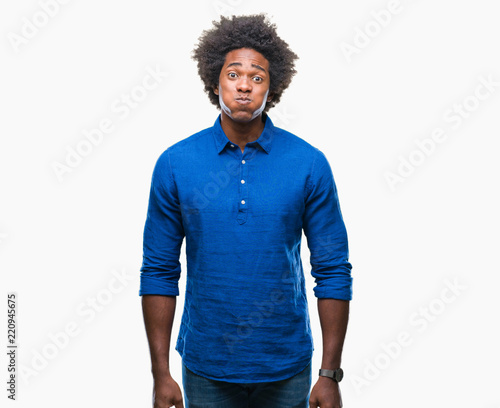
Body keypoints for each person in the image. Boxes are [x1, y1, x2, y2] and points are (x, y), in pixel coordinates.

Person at [139, 14, 353, 408]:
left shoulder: (308, 163)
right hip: (205, 366)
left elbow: (333, 268)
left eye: (257, 78)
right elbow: (158, 270)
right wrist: (160, 374)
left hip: (287, 366)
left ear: (272, 89)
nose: (244, 86)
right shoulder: (176, 163)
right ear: (214, 81)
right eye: (233, 74)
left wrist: (329, 374)